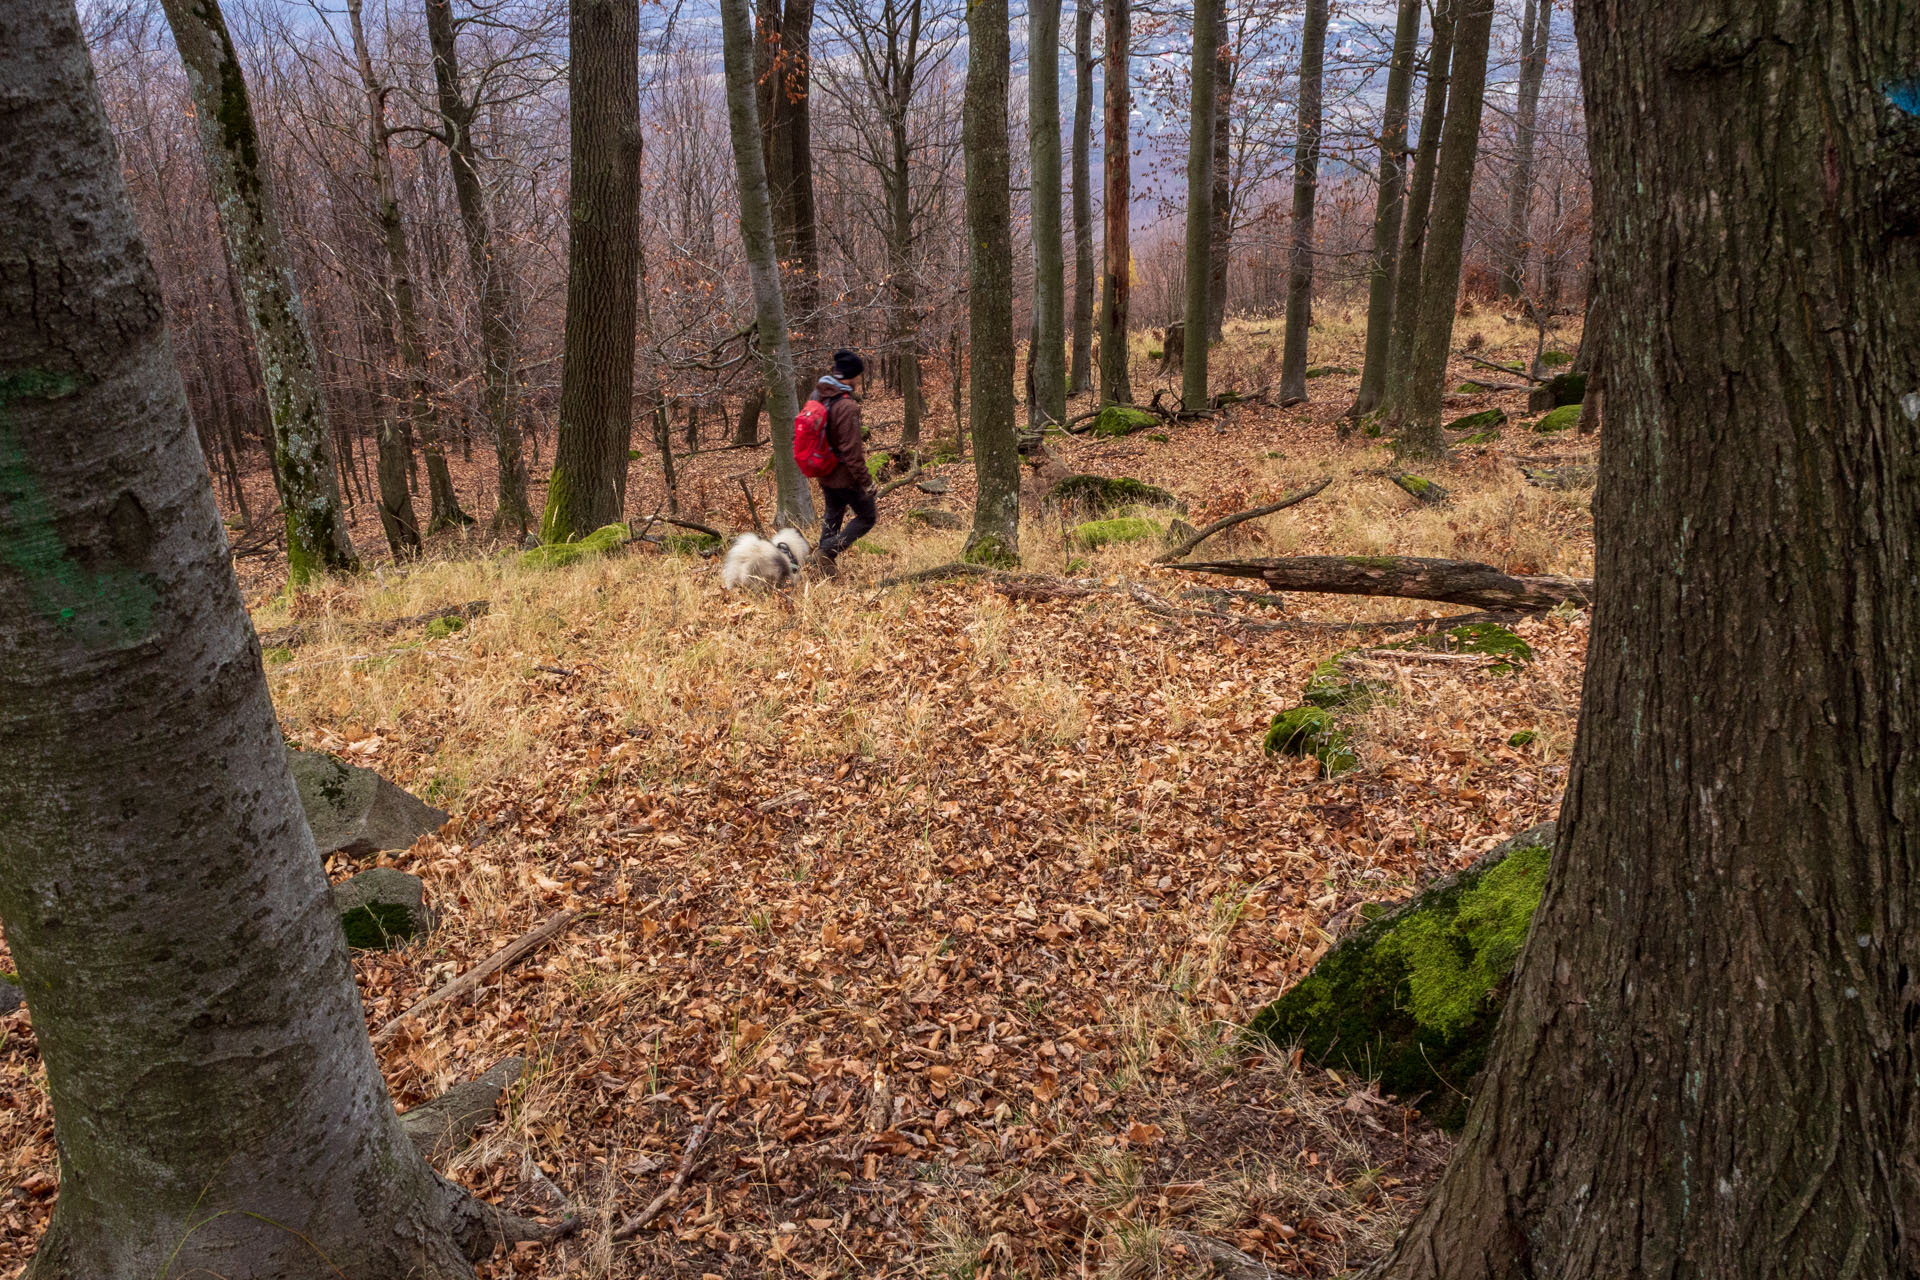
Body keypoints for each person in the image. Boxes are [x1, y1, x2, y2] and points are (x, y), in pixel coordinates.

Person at [812, 349, 877, 568]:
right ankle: (826, 550)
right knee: (867, 517)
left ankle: (823, 564)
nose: (859, 379)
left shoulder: (819, 396)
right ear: (851, 375)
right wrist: (866, 482)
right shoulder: (847, 407)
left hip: (824, 470)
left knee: (833, 515)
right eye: (858, 375)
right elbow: (852, 452)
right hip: (844, 476)